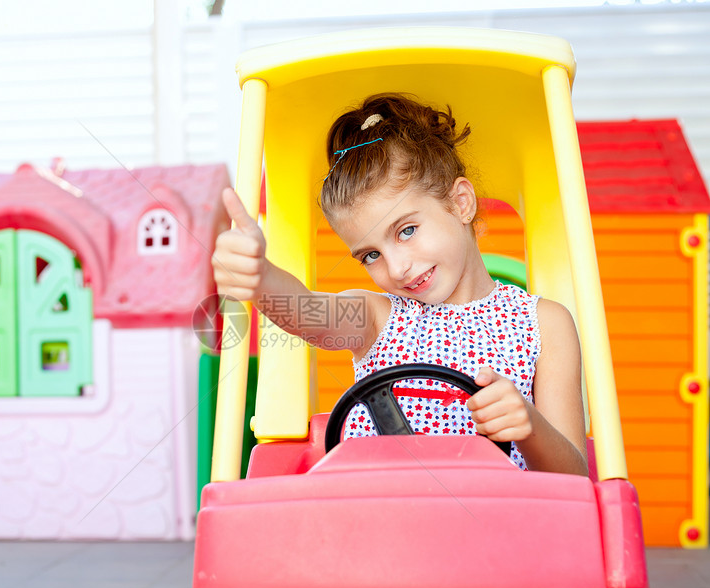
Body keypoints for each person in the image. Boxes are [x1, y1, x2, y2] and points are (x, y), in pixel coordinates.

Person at [212, 92, 587, 476]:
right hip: (381, 521)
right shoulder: (378, 320)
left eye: (406, 230)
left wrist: (529, 427)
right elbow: (306, 310)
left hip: (504, 526)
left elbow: (574, 477)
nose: (397, 267)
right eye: (371, 255)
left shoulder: (542, 323)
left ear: (460, 203)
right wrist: (260, 279)